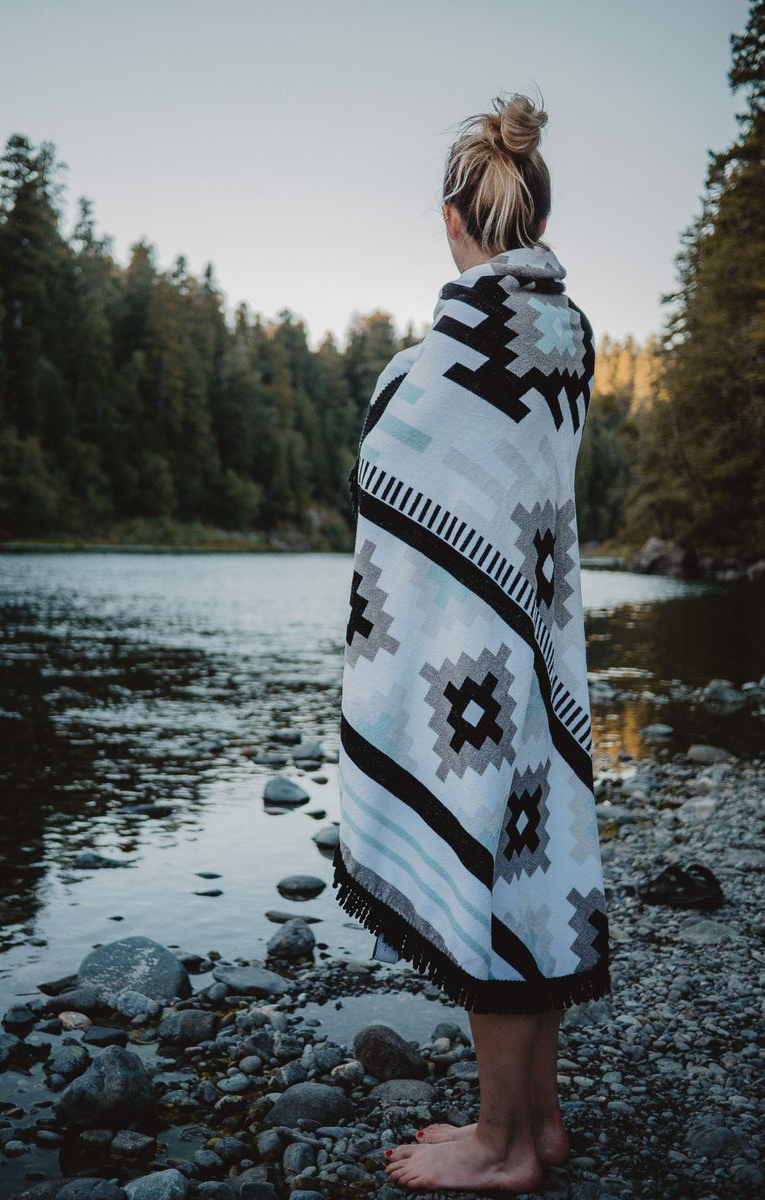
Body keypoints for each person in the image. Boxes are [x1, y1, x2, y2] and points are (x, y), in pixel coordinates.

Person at [332, 92, 610, 1193]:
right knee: (532, 872)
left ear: (455, 217)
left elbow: (388, 486)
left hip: (463, 675)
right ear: (533, 216)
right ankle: (535, 1119)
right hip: (540, 656)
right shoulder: (568, 336)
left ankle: (497, 1150)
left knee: (487, 878)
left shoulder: (433, 360)